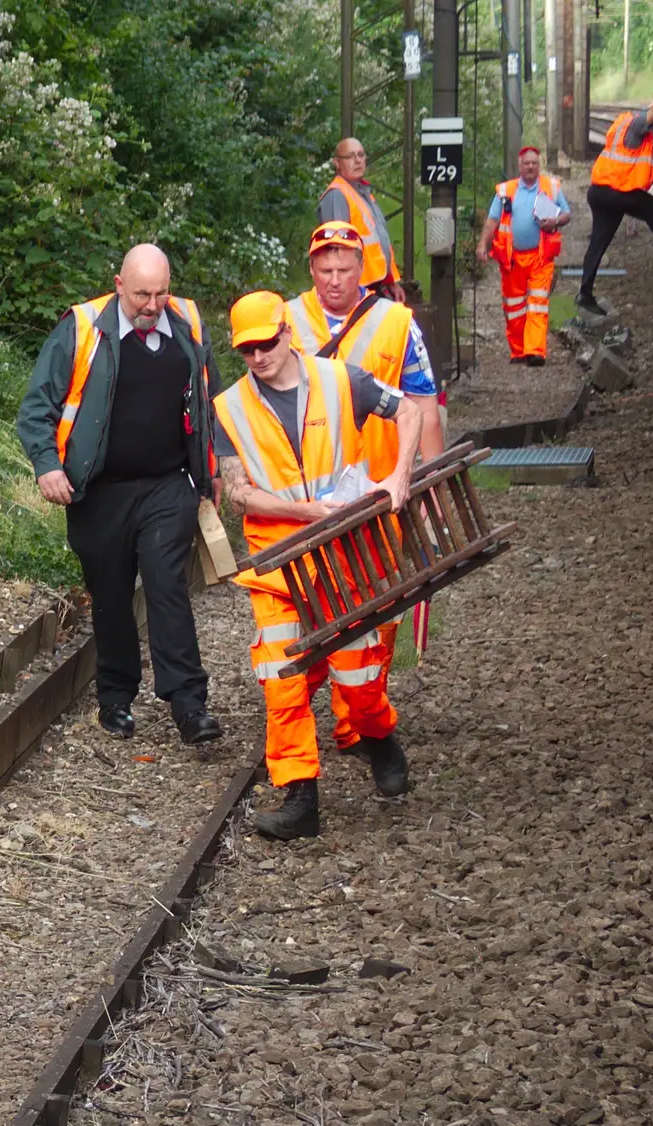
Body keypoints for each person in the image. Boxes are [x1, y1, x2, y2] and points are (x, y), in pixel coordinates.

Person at [214, 291, 422, 840]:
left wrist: (399, 476)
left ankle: (379, 738)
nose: (257, 356)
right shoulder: (228, 408)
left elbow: (410, 410)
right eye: (246, 349)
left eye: (265, 343)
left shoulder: (340, 381)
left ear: (286, 333)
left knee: (357, 676)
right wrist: (305, 510)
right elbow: (241, 494)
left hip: (341, 557)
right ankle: (299, 793)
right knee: (280, 676)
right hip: (278, 564)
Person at [16, 243, 224, 745]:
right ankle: (115, 696)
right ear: (118, 286)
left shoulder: (188, 325)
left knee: (166, 586)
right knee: (110, 595)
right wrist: (47, 466)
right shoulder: (83, 330)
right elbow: (35, 408)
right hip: (100, 491)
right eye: (141, 296)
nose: (152, 305)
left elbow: (213, 400)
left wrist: (218, 468)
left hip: (167, 485)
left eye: (161, 293)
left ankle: (189, 705)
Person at [283, 220, 443, 761]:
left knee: (381, 604)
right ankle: (320, 710)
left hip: (380, 491)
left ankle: (358, 716)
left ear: (362, 268)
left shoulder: (397, 323)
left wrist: (427, 476)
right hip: (312, 495)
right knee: (313, 601)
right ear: (311, 269)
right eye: (325, 269)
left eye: (344, 269)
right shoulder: (287, 320)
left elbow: (423, 400)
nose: (334, 279)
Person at [576, 61, 653, 314]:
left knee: (598, 242)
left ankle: (584, 294)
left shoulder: (627, 125)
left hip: (600, 193)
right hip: (615, 192)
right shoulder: (637, 126)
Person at [477, 147, 571, 365]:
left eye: (534, 163)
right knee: (514, 307)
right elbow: (492, 221)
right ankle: (518, 351)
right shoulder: (505, 191)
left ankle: (535, 352)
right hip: (512, 260)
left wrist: (555, 221)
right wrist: (483, 244)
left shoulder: (551, 187)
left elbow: (566, 214)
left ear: (539, 165)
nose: (530, 167)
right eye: (527, 163)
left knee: (538, 304)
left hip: (540, 257)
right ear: (520, 166)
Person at [318, 139, 405, 302]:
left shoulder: (362, 193)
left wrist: (391, 282)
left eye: (361, 155)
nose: (357, 160)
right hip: (357, 291)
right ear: (337, 163)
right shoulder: (337, 195)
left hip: (374, 286)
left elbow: (379, 243)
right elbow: (338, 251)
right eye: (350, 156)